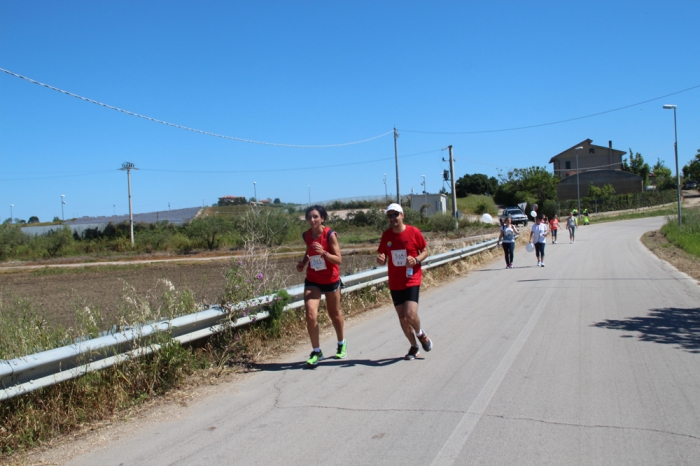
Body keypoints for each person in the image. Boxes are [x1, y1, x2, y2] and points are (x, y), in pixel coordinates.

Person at [377, 203, 433, 360]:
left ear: (402, 215)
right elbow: (382, 256)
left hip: (412, 278)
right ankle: (414, 347)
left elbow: (426, 251)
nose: (392, 218)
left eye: (395, 214)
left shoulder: (413, 232)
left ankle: (421, 334)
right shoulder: (386, 235)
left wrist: (416, 260)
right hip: (395, 281)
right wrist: (380, 259)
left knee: (409, 314)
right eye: (389, 215)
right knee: (402, 317)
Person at [296, 205, 346, 366]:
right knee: (310, 315)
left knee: (334, 314)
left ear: (322, 218)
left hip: (330, 279)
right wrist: (303, 263)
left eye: (315, 217)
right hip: (313, 279)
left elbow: (338, 259)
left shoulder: (330, 235)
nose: (312, 220)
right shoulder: (306, 235)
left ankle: (341, 343)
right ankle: (317, 351)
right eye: (309, 217)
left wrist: (324, 253)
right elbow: (308, 250)